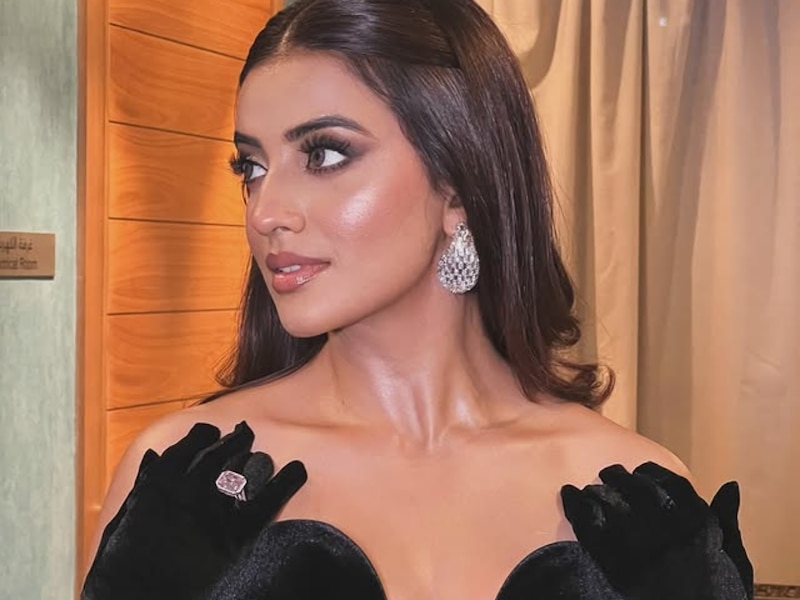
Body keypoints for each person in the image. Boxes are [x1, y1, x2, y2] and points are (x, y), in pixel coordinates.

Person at [81, 0, 753, 598]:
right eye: (251, 168)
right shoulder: (184, 480)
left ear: (459, 182)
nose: (265, 212)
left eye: (324, 155)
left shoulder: (637, 494)